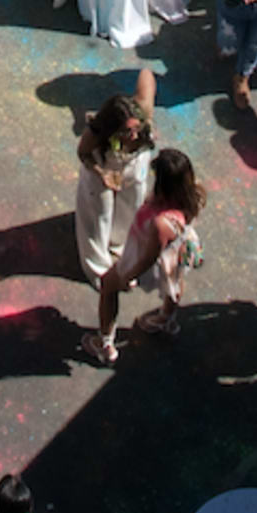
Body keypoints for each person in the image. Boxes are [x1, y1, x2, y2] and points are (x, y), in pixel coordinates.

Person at [83, 146, 203, 361]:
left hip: (148, 256)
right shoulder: (193, 195)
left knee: (108, 286)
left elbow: (149, 257)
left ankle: (105, 344)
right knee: (175, 282)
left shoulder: (160, 223)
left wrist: (127, 276)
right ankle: (167, 318)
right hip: (176, 254)